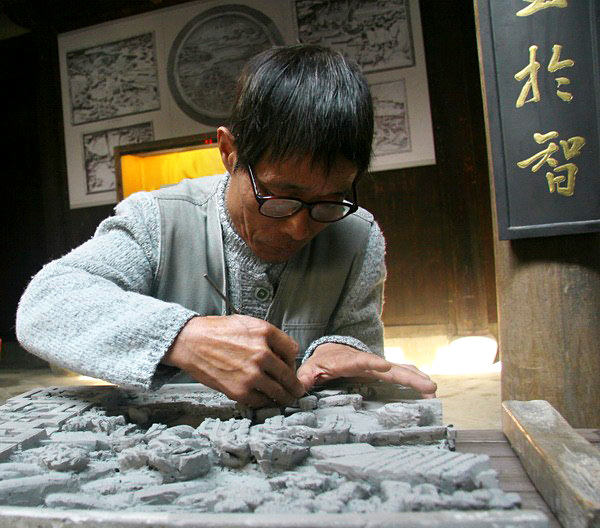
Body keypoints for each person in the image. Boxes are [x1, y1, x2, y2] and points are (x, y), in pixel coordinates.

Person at [16, 44, 436, 407]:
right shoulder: (157, 221)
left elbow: (354, 338)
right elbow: (45, 305)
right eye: (280, 197)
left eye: (328, 202)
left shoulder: (357, 235)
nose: (298, 228)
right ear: (229, 152)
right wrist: (183, 337)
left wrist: (341, 351)